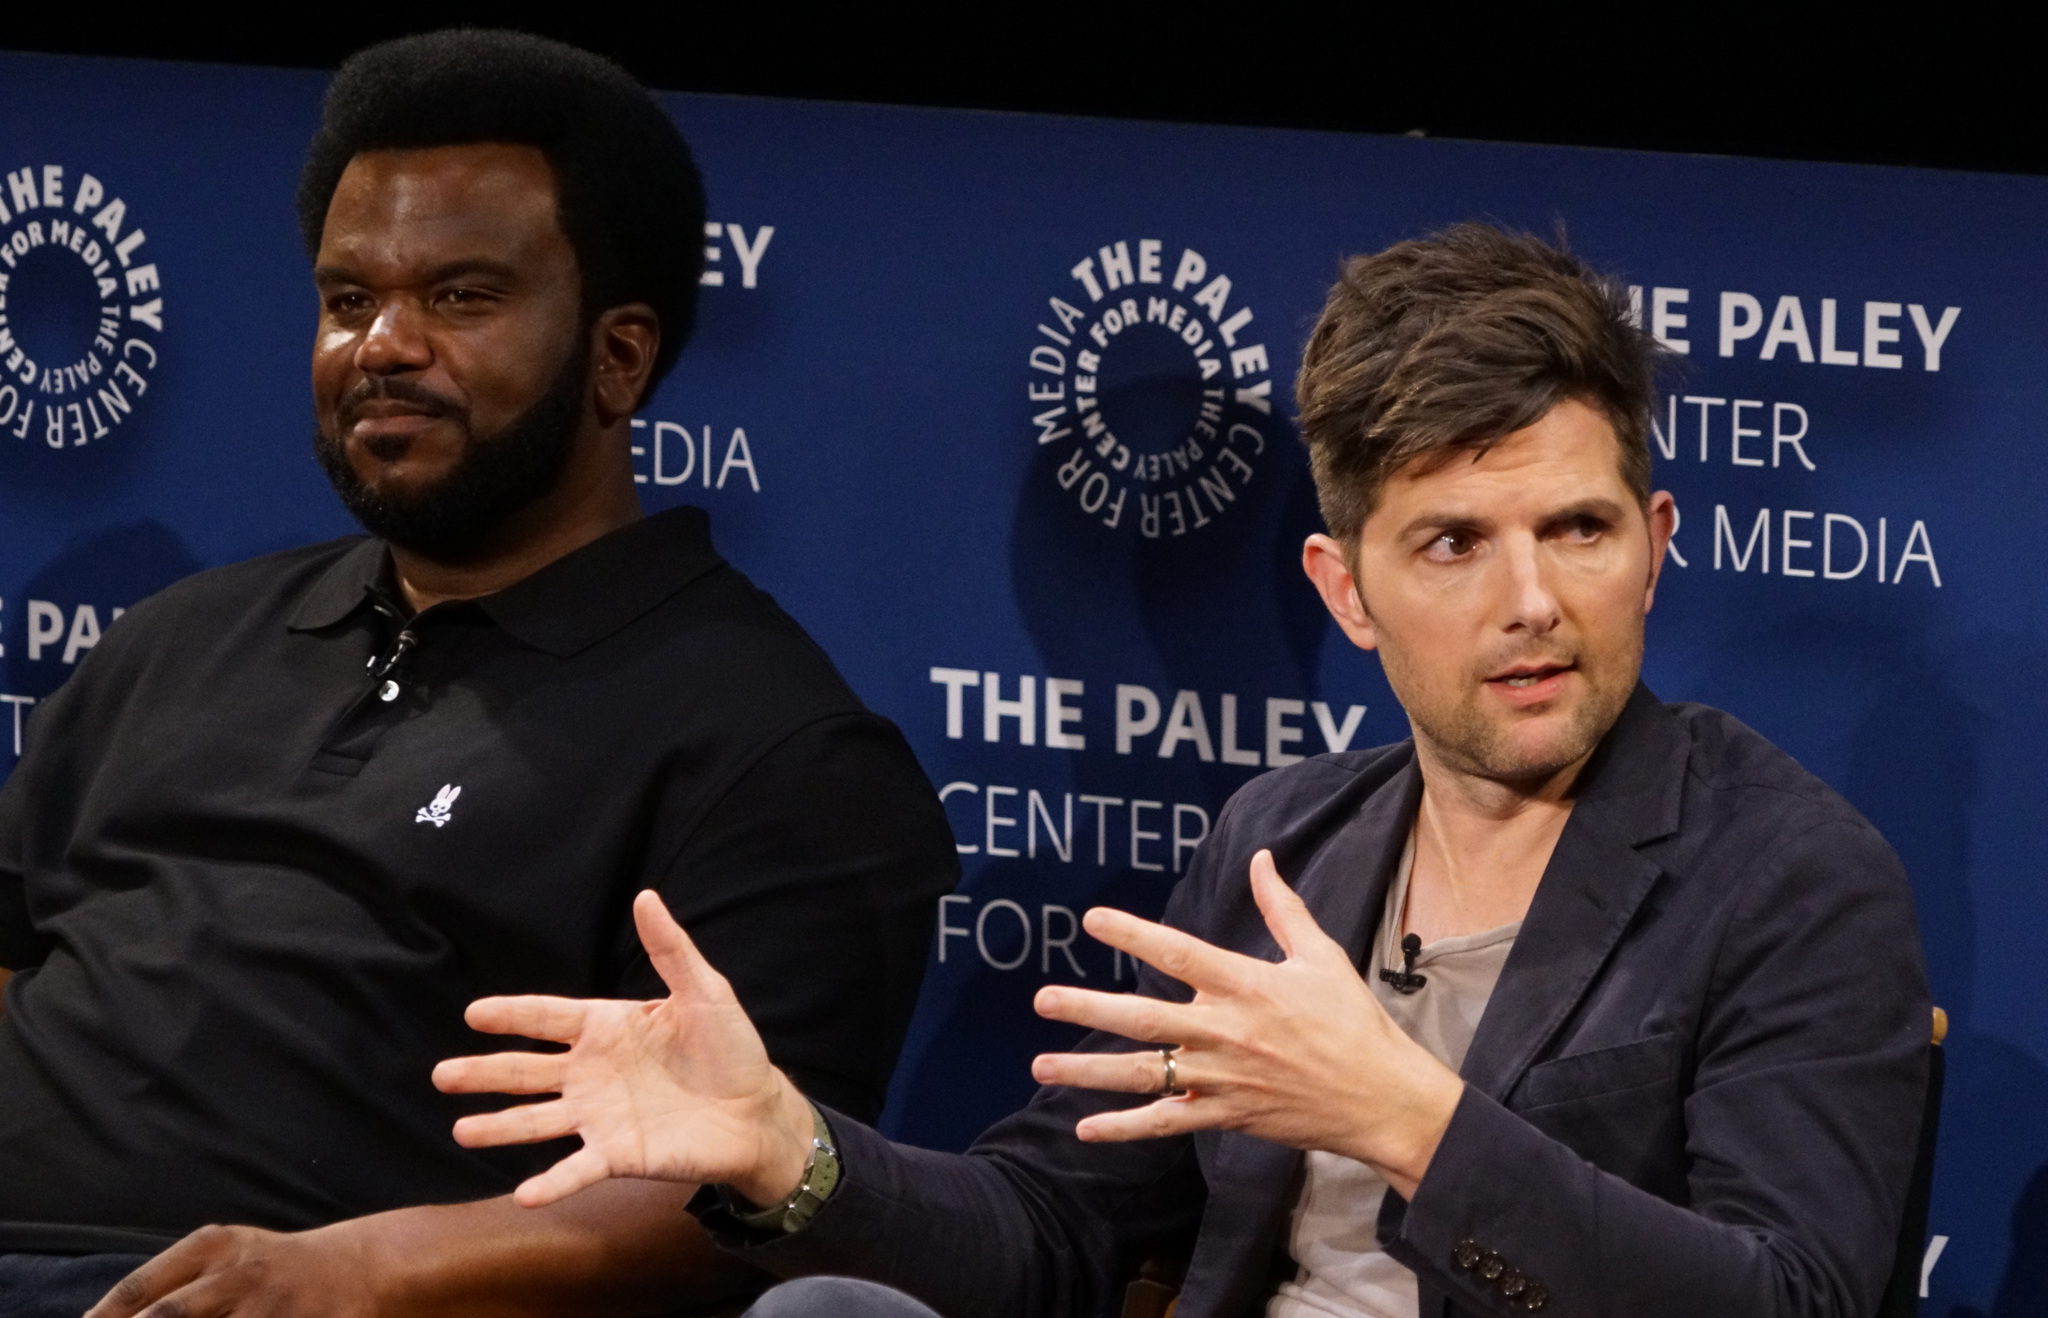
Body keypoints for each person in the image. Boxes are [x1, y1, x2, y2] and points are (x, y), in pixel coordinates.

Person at [436, 225, 1933, 1318]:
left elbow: (1794, 1298)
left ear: (1658, 546)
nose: (1532, 599)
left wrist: (1405, 1115)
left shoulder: (1791, 875)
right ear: (1346, 592)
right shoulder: (1286, 843)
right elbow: (1048, 1223)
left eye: (1580, 531)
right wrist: (790, 1151)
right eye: (1455, 545)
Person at [0, 30, 957, 1318]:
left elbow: (747, 1191)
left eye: (460, 297)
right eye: (348, 301)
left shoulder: (778, 752)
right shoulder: (181, 636)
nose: (382, 346)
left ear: (619, 357)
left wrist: (361, 1272)